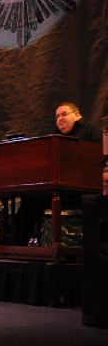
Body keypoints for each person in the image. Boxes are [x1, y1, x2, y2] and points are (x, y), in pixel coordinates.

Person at [16, 102, 102, 245]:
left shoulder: (90, 131)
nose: (60, 119)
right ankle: (14, 244)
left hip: (84, 189)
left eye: (64, 114)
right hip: (61, 188)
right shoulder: (55, 137)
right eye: (57, 117)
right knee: (30, 200)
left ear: (77, 115)